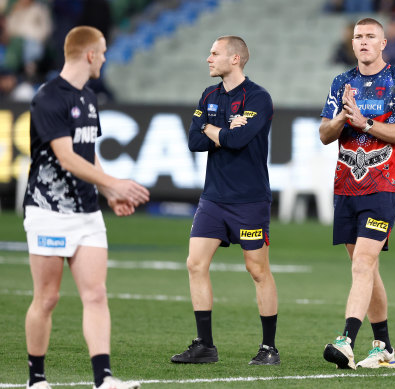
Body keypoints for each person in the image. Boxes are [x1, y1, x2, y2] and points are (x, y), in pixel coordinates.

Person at [23, 26, 149, 389]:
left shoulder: (90, 97)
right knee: (46, 299)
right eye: (104, 51)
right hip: (49, 211)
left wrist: (108, 193)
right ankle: (36, 380)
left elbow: (86, 154)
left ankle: (104, 379)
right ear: (90, 54)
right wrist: (114, 183)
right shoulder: (48, 97)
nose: (106, 58)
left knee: (95, 294)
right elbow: (64, 157)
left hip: (88, 212)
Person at [170, 35, 280, 366]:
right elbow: (193, 140)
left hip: (249, 200)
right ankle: (205, 345)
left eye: (215, 53)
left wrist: (210, 128)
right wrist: (219, 130)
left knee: (257, 270)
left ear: (235, 59)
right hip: (213, 199)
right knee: (195, 263)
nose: (208, 58)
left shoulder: (259, 98)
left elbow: (238, 139)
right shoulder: (209, 95)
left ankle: (268, 349)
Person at [319, 18, 395, 369]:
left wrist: (364, 122)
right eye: (358, 36)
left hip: (382, 186)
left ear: (383, 43)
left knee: (363, 262)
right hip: (346, 186)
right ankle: (384, 348)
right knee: (366, 267)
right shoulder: (341, 82)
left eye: (370, 37)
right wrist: (342, 119)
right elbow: (324, 134)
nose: (363, 42)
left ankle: (346, 340)